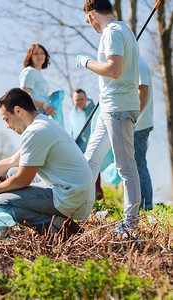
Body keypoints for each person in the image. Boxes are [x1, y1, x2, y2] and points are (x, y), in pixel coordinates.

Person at [0, 88, 94, 238]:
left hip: (71, 196)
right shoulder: (43, 122)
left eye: (6, 119)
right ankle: (56, 221)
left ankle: (61, 230)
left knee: (1, 202)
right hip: (77, 191)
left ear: (18, 111)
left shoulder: (35, 132)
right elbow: (12, 161)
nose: (7, 125)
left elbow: (23, 180)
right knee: (12, 171)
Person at [76, 0, 141, 233]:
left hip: (119, 108)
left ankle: (130, 224)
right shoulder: (125, 30)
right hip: (109, 107)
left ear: (93, 14)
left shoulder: (111, 32)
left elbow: (114, 70)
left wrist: (86, 62)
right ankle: (76, 210)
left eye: (87, 20)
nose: (90, 24)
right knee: (90, 160)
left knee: (125, 167)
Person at [69, 89, 105, 200]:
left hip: (91, 147)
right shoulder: (72, 114)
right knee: (81, 176)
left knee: (94, 175)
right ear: (73, 100)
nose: (80, 101)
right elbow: (72, 130)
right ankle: (83, 199)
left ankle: (99, 198)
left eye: (82, 99)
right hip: (79, 150)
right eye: (77, 100)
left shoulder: (91, 108)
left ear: (86, 98)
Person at [134, 57, 154, 210]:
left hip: (139, 125)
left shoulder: (138, 64)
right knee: (136, 165)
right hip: (138, 124)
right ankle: (140, 205)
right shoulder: (134, 64)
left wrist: (133, 119)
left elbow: (143, 91)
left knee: (139, 164)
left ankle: (146, 206)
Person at [19, 44, 56, 116]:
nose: (40, 56)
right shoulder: (29, 72)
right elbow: (23, 97)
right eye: (36, 54)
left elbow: (38, 96)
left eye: (42, 53)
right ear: (30, 57)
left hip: (43, 114)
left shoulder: (37, 73)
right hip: (34, 115)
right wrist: (44, 105)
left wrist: (50, 97)